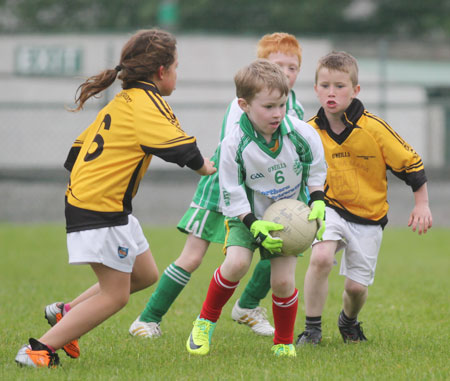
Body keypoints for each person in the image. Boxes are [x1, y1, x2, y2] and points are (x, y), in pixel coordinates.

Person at [15, 28, 216, 368]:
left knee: (145, 274)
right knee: (115, 295)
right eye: (177, 67)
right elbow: (183, 148)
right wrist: (206, 167)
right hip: (100, 208)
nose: (177, 75)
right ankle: (38, 351)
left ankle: (68, 314)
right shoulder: (147, 103)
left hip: (99, 203)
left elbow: (76, 151)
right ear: (161, 71)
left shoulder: (122, 101)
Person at [129, 32, 306, 338]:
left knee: (285, 242)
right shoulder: (243, 106)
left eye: (292, 67)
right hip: (224, 188)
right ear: (260, 67)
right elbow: (233, 155)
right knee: (193, 256)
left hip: (269, 194)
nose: (286, 73)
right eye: (278, 66)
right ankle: (147, 319)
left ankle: (248, 306)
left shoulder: (296, 109)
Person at [186, 59, 327, 357]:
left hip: (288, 216)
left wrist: (317, 202)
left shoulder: (301, 133)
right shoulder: (233, 144)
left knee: (283, 280)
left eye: (282, 104)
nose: (277, 113)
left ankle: (284, 343)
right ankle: (205, 322)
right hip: (245, 215)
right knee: (237, 263)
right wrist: (252, 222)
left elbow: (316, 169)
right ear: (244, 104)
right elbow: (232, 190)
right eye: (268, 106)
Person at [296, 51, 433, 346]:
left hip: (368, 216)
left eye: (340, 86)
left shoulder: (374, 128)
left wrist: (421, 203)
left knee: (356, 288)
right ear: (316, 88)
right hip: (328, 206)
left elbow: (410, 163)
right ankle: (312, 330)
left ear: (356, 90)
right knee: (320, 258)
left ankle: (348, 321)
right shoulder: (307, 131)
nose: (331, 93)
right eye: (324, 85)